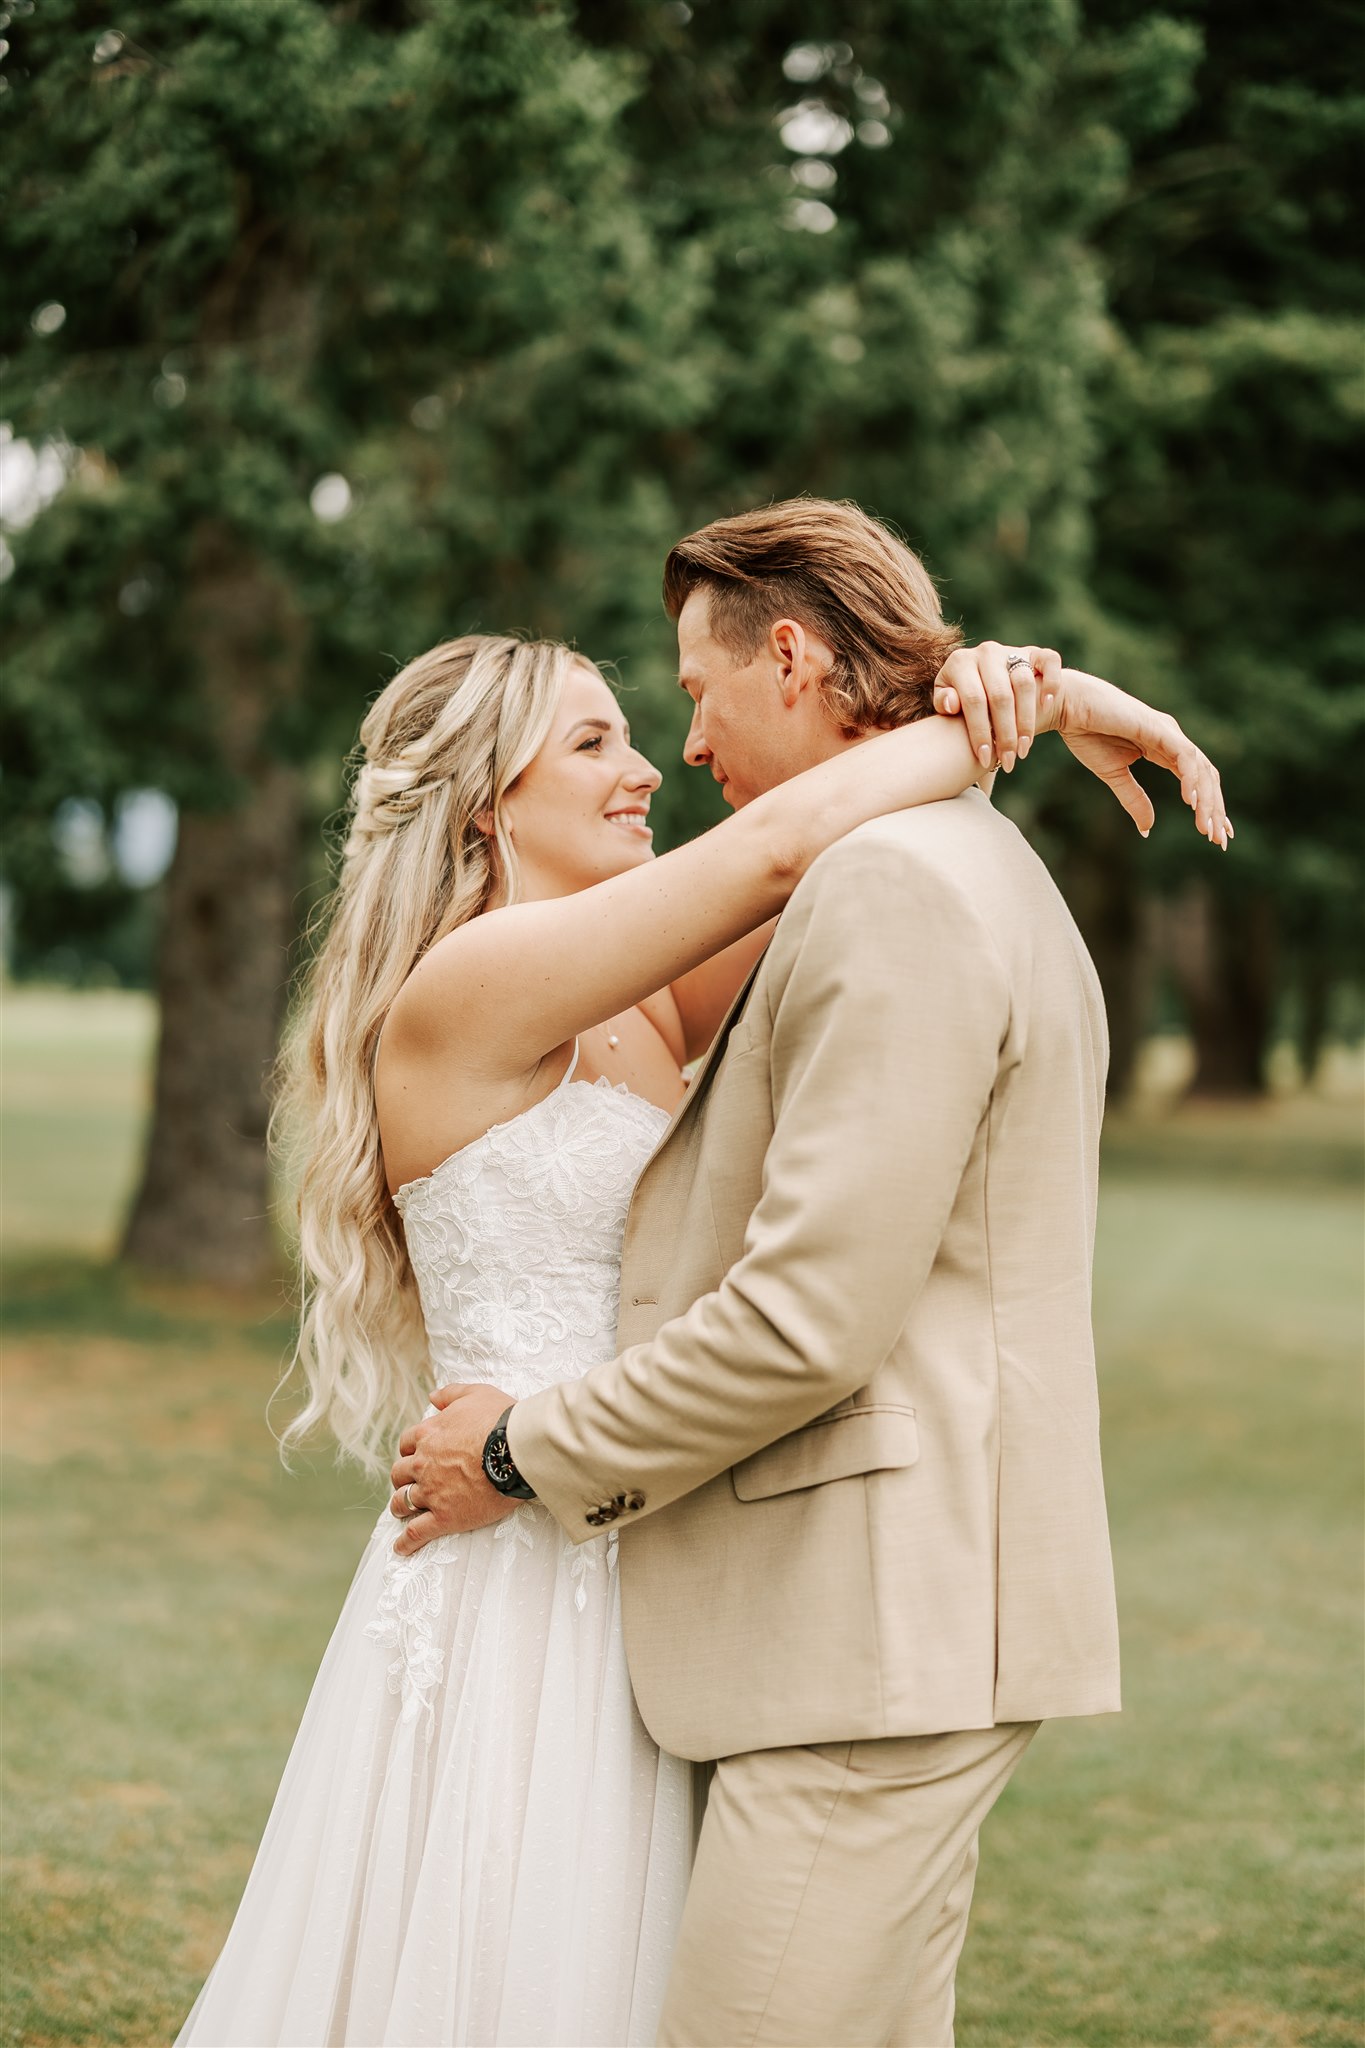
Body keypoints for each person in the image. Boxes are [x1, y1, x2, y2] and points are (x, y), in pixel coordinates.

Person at [177, 512, 1227, 2047]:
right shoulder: (468, 990)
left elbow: (844, 844)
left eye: (655, 713)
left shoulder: (663, 985)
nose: (650, 761)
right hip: (522, 1551)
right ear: (484, 804)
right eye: (596, 737)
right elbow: (799, 838)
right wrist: (1026, 706)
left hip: (663, 1548)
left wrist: (970, 686)